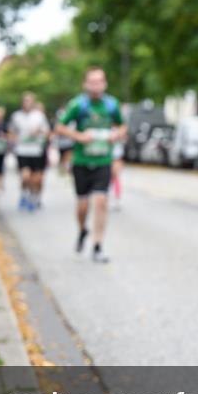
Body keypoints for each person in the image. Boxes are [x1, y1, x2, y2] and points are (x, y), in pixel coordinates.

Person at [55, 67, 126, 263]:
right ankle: (82, 230)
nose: (96, 85)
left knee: (101, 202)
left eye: (100, 81)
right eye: (92, 82)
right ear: (85, 84)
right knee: (83, 206)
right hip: (81, 161)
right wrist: (79, 136)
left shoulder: (112, 105)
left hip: (103, 160)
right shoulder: (78, 105)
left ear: (105, 83)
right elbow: (60, 127)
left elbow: (122, 125)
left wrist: (117, 134)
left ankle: (98, 245)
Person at [9, 92, 51, 211]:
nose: (27, 103)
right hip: (22, 150)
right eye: (25, 101)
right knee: (25, 176)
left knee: (36, 179)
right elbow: (11, 132)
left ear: (33, 102)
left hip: (37, 150)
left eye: (29, 101)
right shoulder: (16, 116)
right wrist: (15, 140)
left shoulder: (39, 116)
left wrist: (39, 132)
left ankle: (34, 196)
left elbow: (47, 132)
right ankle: (24, 195)